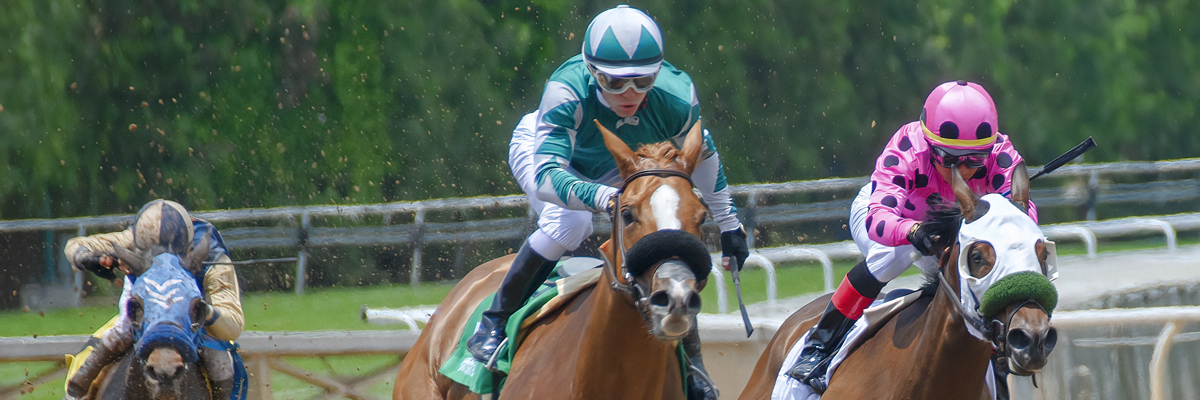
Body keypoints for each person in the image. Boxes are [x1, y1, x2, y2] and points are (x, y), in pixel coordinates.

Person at [469, 5, 748, 399]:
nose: (630, 94)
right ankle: (495, 320)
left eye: (642, 81)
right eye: (614, 84)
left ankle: (693, 364)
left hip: (622, 166)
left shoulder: (677, 93)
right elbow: (549, 178)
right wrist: (604, 197)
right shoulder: (565, 90)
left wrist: (729, 223)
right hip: (551, 154)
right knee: (572, 224)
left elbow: (703, 156)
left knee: (668, 229)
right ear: (591, 71)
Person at [786, 81, 1039, 392]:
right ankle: (821, 343)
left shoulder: (1001, 155)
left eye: (974, 160)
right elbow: (878, 220)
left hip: (953, 228)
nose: (963, 170)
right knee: (896, 254)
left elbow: (1024, 222)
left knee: (975, 279)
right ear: (930, 144)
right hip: (890, 216)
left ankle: (994, 364)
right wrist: (912, 230)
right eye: (948, 159)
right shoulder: (908, 147)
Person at [63, 199, 244, 400]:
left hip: (194, 319)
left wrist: (205, 311)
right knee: (116, 336)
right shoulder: (133, 237)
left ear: (190, 248)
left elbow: (233, 324)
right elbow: (76, 245)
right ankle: (74, 395)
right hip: (144, 313)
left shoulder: (215, 258)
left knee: (220, 360)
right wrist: (85, 257)